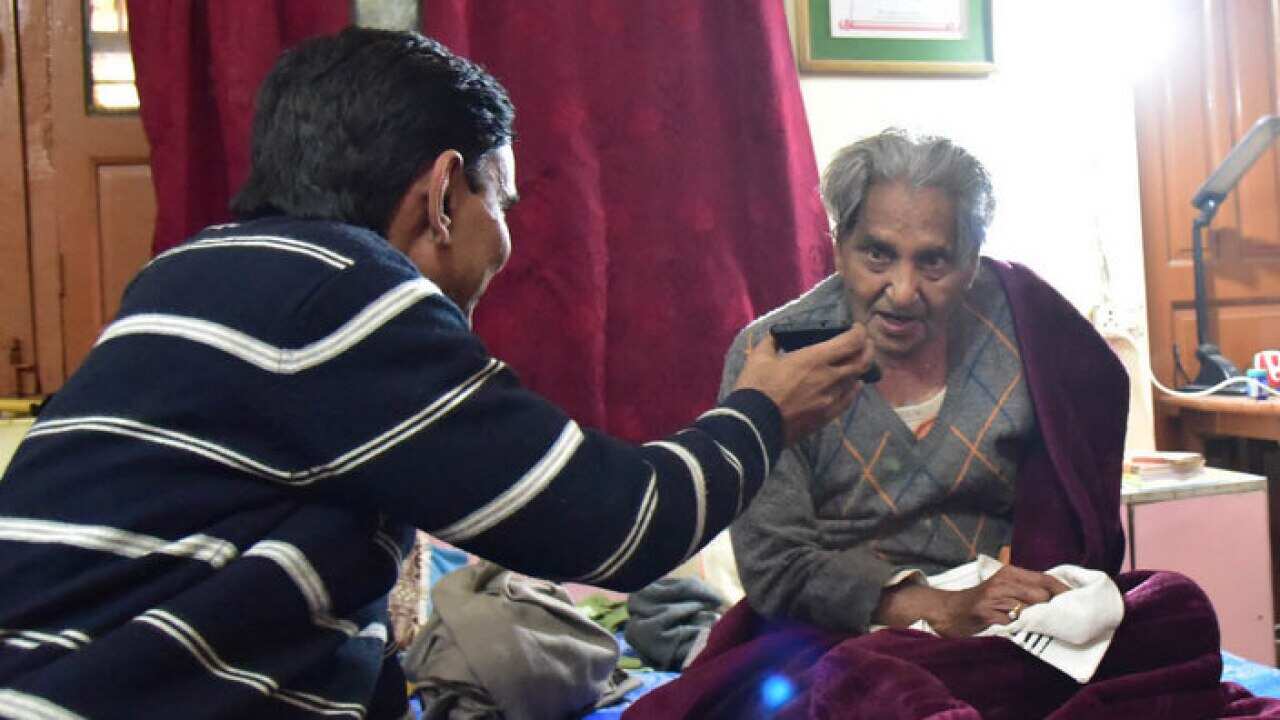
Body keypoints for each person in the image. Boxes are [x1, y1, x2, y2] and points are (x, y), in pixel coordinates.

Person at [0, 28, 874, 719]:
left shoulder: (194, 274)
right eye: (503, 202)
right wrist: (764, 411)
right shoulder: (344, 295)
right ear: (444, 193)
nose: (506, 238)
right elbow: (619, 526)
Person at [625, 130, 1274, 718]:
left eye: (933, 262)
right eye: (877, 255)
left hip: (1007, 635)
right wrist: (932, 607)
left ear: (972, 259)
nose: (903, 291)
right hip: (843, 639)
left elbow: (1077, 514)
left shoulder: (1027, 330)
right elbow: (777, 568)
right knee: (855, 685)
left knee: (1176, 608)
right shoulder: (775, 357)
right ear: (838, 244)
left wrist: (1033, 601)